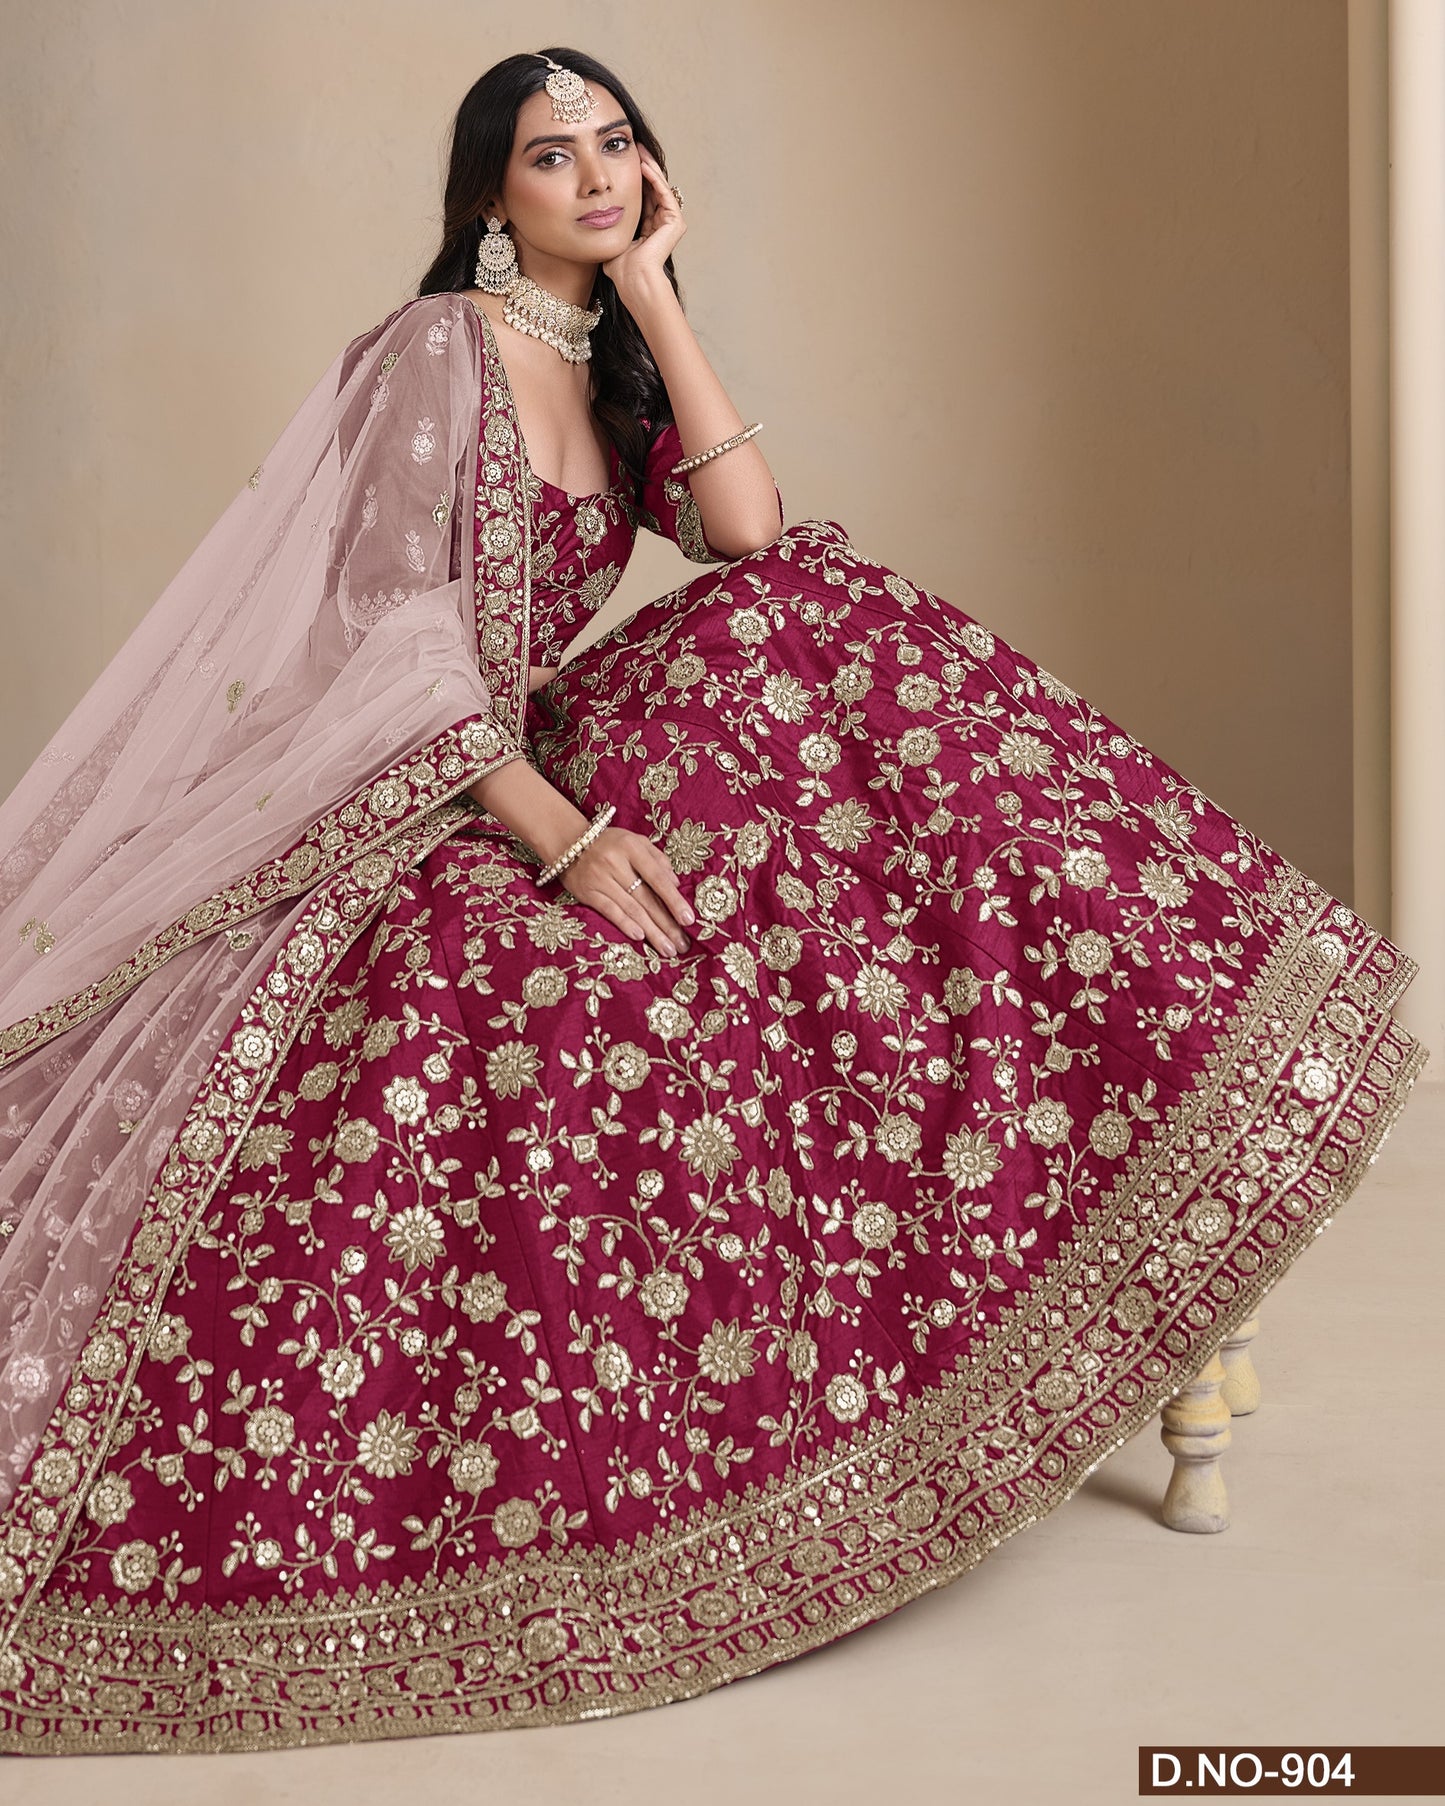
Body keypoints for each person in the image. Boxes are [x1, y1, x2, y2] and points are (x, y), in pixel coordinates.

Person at [0, 46, 1427, 1757]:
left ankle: (1115, 1076)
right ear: (485, 198)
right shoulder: (439, 351)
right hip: (438, 787)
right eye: (550, 156)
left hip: (538, 745)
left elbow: (747, 530)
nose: (593, 175)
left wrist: (658, 292)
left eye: (615, 145)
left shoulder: (595, 350)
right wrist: (559, 838)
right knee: (689, 814)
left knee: (808, 612)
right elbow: (389, 651)